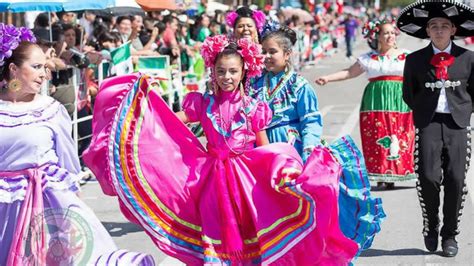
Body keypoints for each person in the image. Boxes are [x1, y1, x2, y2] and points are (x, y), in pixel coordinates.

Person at [83, 34, 361, 264]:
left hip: (245, 179)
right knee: (213, 231)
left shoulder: (254, 107)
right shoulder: (202, 103)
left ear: (244, 72)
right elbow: (169, 119)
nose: (226, 76)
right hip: (211, 179)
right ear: (212, 72)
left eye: (233, 71)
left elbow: (265, 149)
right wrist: (147, 98)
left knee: (249, 231)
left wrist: (284, 175)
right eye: (221, 71)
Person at [0, 24, 153, 265]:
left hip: (49, 203)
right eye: (37, 67)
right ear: (13, 69)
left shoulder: (50, 110)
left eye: (46, 67)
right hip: (5, 207)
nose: (45, 74)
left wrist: (77, 205)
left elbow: (69, 164)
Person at [252, 24, 385, 252]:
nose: (267, 56)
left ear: (287, 54)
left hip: (289, 149)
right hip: (262, 148)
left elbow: (311, 120)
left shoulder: (299, 85)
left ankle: (302, 248)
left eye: (272, 51)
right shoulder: (254, 84)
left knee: (293, 200)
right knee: (266, 200)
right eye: (263, 51)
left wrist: (308, 150)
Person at [397, 0, 474, 257]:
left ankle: (450, 234)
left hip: (457, 125)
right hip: (428, 123)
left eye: (444, 26)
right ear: (427, 31)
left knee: (456, 179)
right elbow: (409, 93)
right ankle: (431, 225)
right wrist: (424, 108)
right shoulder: (415, 60)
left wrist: (463, 111)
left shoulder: (468, 58)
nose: (439, 30)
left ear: (453, 30)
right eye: (434, 26)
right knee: (428, 178)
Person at [315, 19, 415, 189]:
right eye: (386, 33)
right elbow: (349, 72)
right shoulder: (369, 58)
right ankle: (382, 173)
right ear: (377, 36)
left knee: (400, 135)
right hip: (375, 101)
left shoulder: (406, 56)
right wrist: (328, 78)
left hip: (400, 101)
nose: (390, 36)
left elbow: (420, 74)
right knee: (377, 135)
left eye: (392, 32)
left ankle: (400, 170)